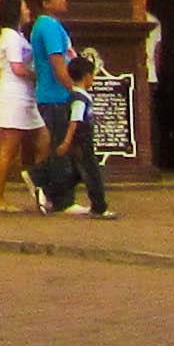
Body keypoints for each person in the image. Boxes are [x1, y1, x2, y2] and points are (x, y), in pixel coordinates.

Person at [41, 44, 117, 218]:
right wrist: (67, 142)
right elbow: (75, 121)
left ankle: (50, 191)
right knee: (93, 174)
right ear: (87, 76)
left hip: (79, 141)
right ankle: (99, 207)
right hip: (82, 141)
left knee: (76, 174)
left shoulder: (75, 95)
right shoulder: (79, 98)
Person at [25, 0, 81, 211]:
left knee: (67, 144)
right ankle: (58, 194)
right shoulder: (47, 26)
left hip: (56, 93)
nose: (64, 0)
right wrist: (73, 89)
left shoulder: (51, 26)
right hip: (55, 94)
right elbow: (57, 62)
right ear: (46, 3)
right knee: (62, 145)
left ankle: (50, 188)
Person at [0, 0, 41, 212]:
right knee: (9, 147)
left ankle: (39, 180)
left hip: (26, 95)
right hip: (13, 95)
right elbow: (17, 67)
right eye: (25, 7)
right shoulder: (9, 36)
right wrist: (37, 76)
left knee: (42, 136)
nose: (28, 11)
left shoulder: (18, 35)